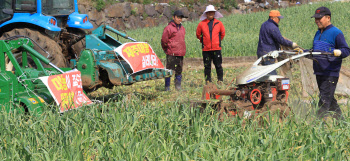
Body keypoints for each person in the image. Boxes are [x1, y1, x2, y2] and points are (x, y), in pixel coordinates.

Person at [310, 7, 350, 119]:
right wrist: (302, 52)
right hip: (319, 71)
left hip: (329, 73)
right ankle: (342, 123)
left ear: (328, 18)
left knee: (324, 101)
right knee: (330, 100)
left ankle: (316, 128)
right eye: (315, 18)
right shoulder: (318, 33)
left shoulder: (336, 33)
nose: (316, 21)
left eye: (319, 18)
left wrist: (339, 52)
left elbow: (346, 50)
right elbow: (315, 50)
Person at [257, 10, 298, 75]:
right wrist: (291, 44)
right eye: (278, 18)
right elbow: (280, 40)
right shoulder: (273, 27)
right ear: (273, 18)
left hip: (261, 52)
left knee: (265, 73)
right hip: (268, 54)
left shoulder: (264, 25)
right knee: (272, 75)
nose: (279, 20)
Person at [196, 5, 225, 84]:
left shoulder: (219, 23)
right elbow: (198, 35)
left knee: (218, 65)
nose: (210, 14)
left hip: (217, 49)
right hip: (206, 49)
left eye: (212, 12)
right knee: (207, 66)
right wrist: (204, 41)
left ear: (214, 13)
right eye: (209, 12)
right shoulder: (201, 24)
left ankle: (220, 80)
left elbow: (222, 34)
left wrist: (217, 42)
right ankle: (208, 81)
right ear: (206, 14)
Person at [161, 10, 186, 91]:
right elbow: (164, 41)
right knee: (169, 70)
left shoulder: (182, 28)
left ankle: (178, 86)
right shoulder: (168, 28)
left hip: (180, 53)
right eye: (178, 17)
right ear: (173, 17)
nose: (180, 19)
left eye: (181, 18)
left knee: (179, 70)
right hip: (171, 53)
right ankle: (167, 87)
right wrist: (167, 49)